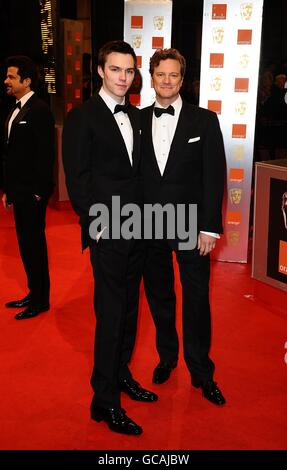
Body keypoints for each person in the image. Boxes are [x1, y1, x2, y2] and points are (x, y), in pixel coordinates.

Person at [62, 40, 157, 437]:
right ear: (100, 71)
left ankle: (121, 375)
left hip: (138, 226)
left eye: (129, 70)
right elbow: (77, 175)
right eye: (115, 69)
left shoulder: (136, 116)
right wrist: (94, 221)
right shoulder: (82, 116)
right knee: (111, 314)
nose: (123, 77)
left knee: (131, 309)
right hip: (108, 228)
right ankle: (103, 401)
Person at [141, 48, 226, 405]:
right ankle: (166, 357)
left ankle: (201, 370)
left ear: (183, 79)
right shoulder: (136, 119)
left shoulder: (204, 120)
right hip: (147, 224)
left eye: (174, 75)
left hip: (191, 224)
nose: (167, 81)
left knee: (195, 299)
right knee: (159, 296)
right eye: (161, 74)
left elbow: (214, 176)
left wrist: (210, 227)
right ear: (151, 77)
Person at [2, 55, 55, 320]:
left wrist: (38, 192)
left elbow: (45, 155)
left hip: (32, 194)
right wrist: (7, 190)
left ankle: (41, 300)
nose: (6, 81)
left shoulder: (40, 109)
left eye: (11, 77)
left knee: (34, 246)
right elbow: (11, 155)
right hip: (18, 192)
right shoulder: (14, 108)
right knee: (25, 245)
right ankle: (33, 293)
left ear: (26, 80)